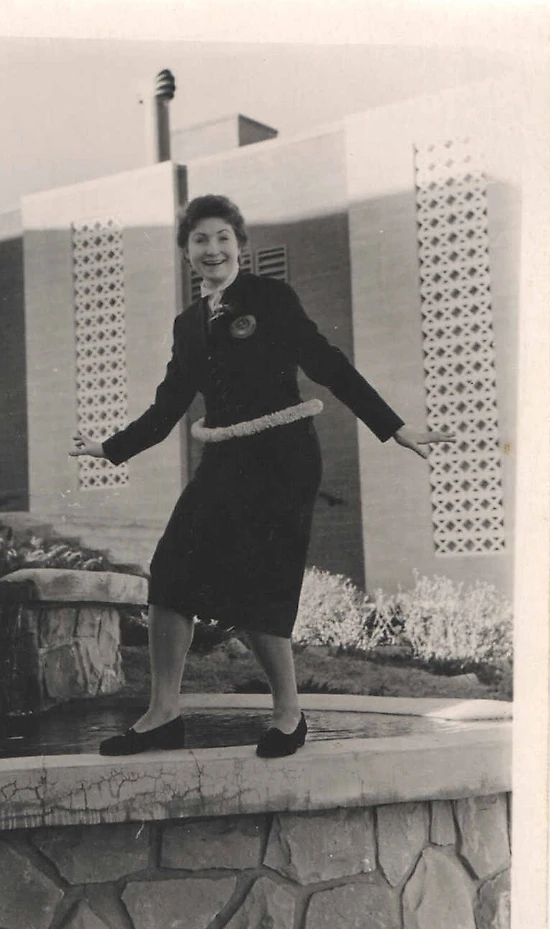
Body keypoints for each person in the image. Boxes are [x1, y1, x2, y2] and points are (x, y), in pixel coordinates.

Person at [70, 194, 454, 758]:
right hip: (224, 458)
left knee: (261, 582)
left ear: (240, 247)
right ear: (185, 252)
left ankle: (289, 716)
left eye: (223, 237)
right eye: (200, 239)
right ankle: (163, 714)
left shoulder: (270, 298)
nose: (213, 249)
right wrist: (110, 448)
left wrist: (392, 426)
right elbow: (169, 403)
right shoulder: (188, 325)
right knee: (172, 568)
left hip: (283, 457)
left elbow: (326, 362)